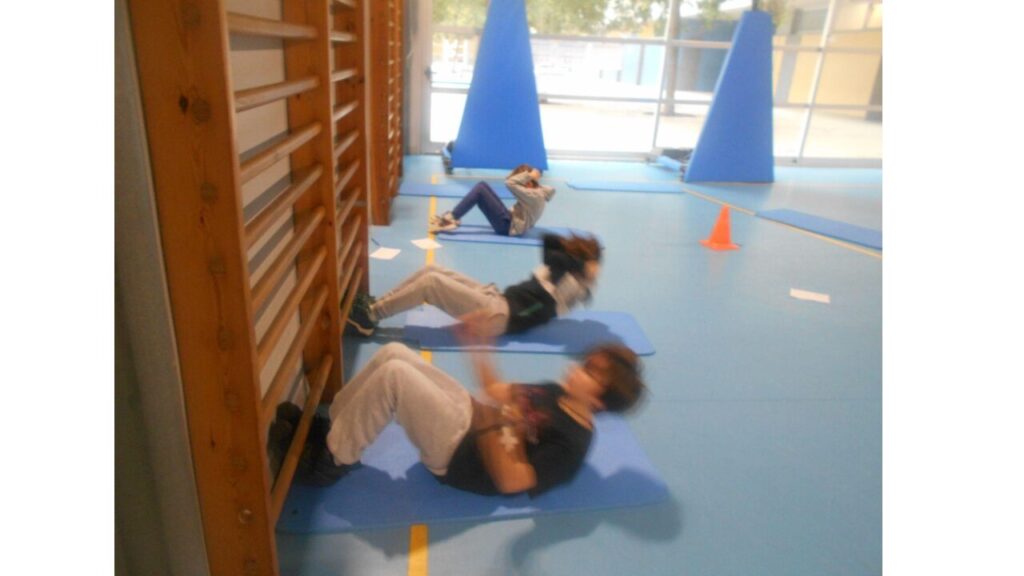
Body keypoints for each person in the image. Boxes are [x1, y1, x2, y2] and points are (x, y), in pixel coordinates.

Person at [302, 336, 644, 495]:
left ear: (599, 402)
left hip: (463, 457)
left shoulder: (571, 444)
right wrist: (477, 345)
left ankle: (332, 460)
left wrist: (497, 424)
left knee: (395, 377)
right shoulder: (557, 392)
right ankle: (335, 427)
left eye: (590, 373)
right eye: (586, 364)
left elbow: (512, 481)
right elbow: (496, 390)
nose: (577, 369)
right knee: (394, 352)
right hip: (470, 415)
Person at [346, 233, 601, 337]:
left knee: (431, 284)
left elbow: (559, 267)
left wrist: (585, 270)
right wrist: (579, 260)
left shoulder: (574, 288)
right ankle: (377, 304)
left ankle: (370, 316)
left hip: (498, 317)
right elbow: (549, 242)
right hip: (496, 298)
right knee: (431, 269)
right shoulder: (560, 268)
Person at [429, 164, 555, 236]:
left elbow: (510, 183)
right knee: (482, 186)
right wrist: (529, 175)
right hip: (510, 220)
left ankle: (451, 219)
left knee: (480, 189)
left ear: (527, 183)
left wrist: (530, 175)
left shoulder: (533, 195)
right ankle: (454, 215)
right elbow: (511, 179)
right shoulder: (539, 191)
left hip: (506, 227)